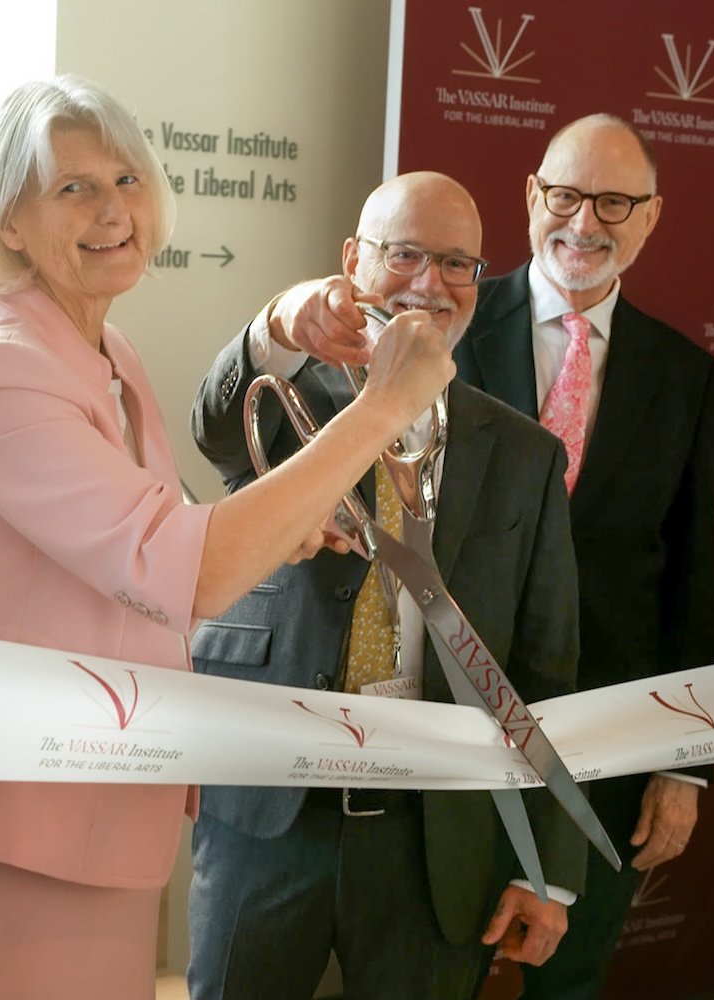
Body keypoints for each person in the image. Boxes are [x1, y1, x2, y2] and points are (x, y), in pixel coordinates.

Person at [0, 76, 455, 1000]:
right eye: (73, 187)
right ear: (7, 221)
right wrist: (384, 406)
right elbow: (181, 569)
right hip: (20, 823)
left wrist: (279, 534)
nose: (114, 208)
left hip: (106, 806)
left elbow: (133, 553)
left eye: (125, 178)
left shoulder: (106, 355)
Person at [187, 171, 586, 1000]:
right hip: (266, 815)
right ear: (352, 259)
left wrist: (548, 864)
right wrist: (272, 328)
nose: (428, 284)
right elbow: (214, 430)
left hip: (434, 841)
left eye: (456, 264)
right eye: (404, 254)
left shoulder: (524, 455)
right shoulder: (282, 397)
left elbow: (546, 670)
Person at [454, 114, 714, 999]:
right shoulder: (445, 332)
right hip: (450, 729)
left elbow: (691, 573)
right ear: (531, 198)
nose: (585, 222)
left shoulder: (685, 374)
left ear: (651, 218)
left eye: (615, 201)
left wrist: (682, 766)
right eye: (565, 195)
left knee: (568, 984)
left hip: (607, 745)